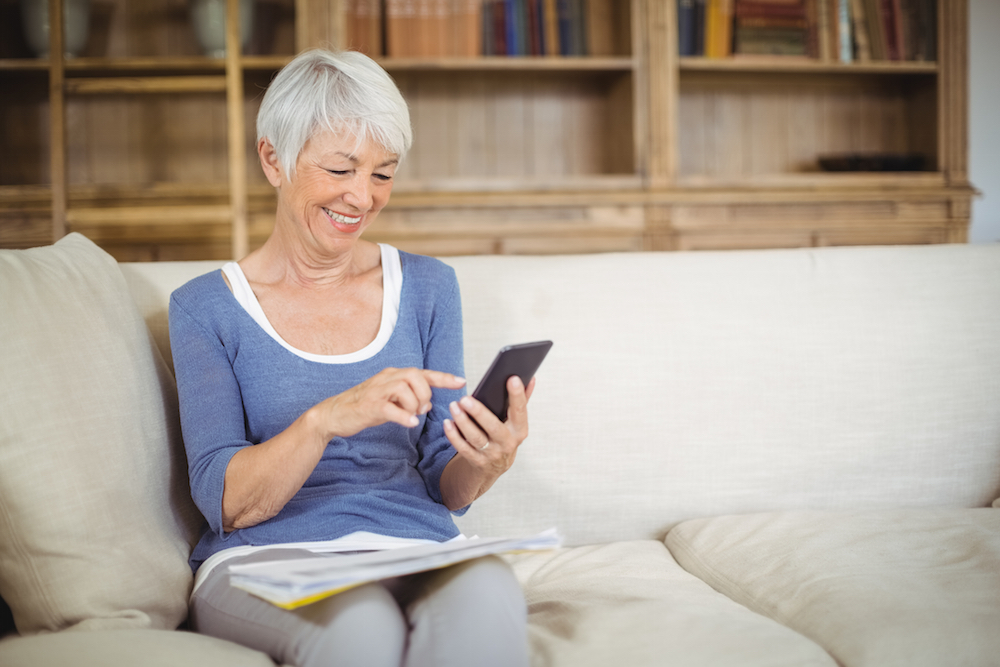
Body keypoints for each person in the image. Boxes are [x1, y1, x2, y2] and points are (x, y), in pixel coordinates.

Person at [168, 48, 535, 667]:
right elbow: (227, 504)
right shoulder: (205, 308)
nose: (362, 197)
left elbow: (448, 483)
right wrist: (326, 418)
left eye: (383, 174)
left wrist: (487, 459)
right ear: (273, 160)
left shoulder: (428, 287)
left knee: (489, 591)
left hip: (413, 546)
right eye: (341, 169)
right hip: (266, 559)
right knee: (360, 627)